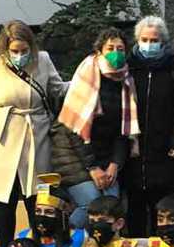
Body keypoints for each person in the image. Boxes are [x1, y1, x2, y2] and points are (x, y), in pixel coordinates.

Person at [0, 20, 67, 247]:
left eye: (24, 51)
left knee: (37, 198)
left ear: (31, 46)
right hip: (2, 137)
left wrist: (86, 82)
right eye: (15, 51)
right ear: (5, 49)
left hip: (35, 135)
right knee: (2, 200)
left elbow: (58, 89)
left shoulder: (44, 60)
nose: (20, 55)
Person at [58, 28, 139, 223]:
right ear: (99, 51)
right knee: (93, 205)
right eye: (110, 48)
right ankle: (73, 245)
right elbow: (75, 128)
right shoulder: (86, 75)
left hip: (106, 156)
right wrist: (93, 168)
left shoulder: (126, 82)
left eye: (120, 49)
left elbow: (124, 132)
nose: (116, 53)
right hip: (75, 156)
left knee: (112, 206)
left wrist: (114, 165)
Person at [124, 16, 174, 236]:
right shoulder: (127, 68)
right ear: (137, 40)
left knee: (164, 208)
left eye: (154, 40)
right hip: (134, 151)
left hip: (164, 150)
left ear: (163, 41)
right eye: (145, 39)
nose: (149, 44)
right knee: (135, 207)